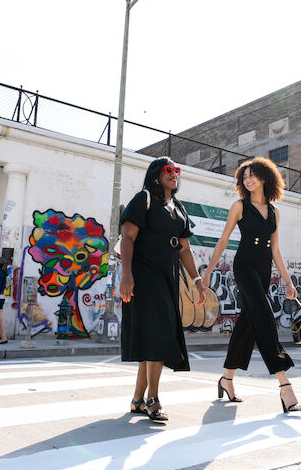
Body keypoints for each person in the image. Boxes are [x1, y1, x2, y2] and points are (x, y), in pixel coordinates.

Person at [202, 157, 301, 413]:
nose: (248, 180)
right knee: (265, 317)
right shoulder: (239, 206)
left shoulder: (274, 211)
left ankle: (227, 378)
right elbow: (224, 241)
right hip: (244, 266)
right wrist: (207, 273)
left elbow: (277, 250)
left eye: (252, 175)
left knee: (247, 325)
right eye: (244, 176)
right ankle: (284, 385)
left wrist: (288, 280)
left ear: (264, 177)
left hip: (263, 269)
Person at [119, 157, 206, 422]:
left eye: (177, 171)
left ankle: (137, 400)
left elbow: (184, 248)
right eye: (169, 170)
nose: (174, 174)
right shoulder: (143, 199)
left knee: (152, 337)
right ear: (156, 175)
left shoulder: (177, 207)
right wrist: (126, 275)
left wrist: (196, 279)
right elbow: (127, 237)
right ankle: (153, 400)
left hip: (168, 277)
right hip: (144, 275)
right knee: (157, 335)